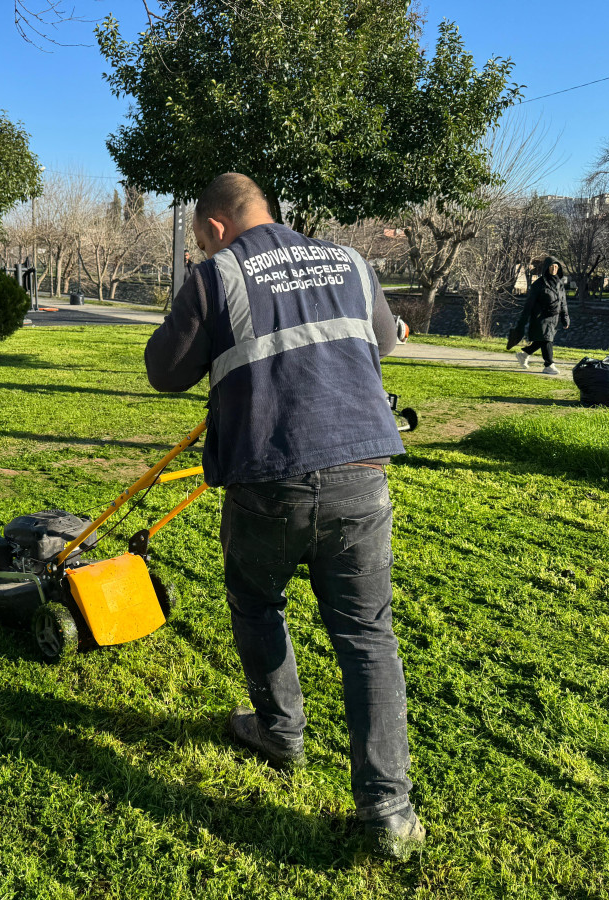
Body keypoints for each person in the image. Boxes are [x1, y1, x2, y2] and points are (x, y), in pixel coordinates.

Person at [145, 173, 424, 861]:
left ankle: (281, 731)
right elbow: (381, 344)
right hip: (363, 473)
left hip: (269, 478)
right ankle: (388, 811)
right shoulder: (352, 261)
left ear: (214, 227)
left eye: (199, 237)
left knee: (256, 601)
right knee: (366, 636)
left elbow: (164, 371)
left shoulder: (218, 276)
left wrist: (201, 303)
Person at [515, 256, 570, 375]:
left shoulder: (559, 283)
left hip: (553, 317)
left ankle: (523, 355)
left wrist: (565, 317)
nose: (554, 269)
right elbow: (530, 303)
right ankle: (549, 365)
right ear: (546, 268)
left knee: (543, 339)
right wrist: (523, 320)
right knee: (546, 339)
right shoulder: (538, 284)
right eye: (551, 266)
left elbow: (563, 302)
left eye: (556, 267)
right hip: (540, 317)